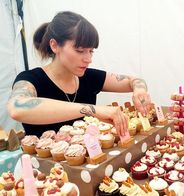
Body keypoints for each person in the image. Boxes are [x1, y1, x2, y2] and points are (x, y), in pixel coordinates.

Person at [7, 11, 151, 138]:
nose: (88, 59)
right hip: (44, 168)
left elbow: (134, 80)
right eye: (80, 50)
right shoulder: (31, 79)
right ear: (55, 45)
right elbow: (17, 108)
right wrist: (92, 110)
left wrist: (139, 89)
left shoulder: (87, 77)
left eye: (91, 51)